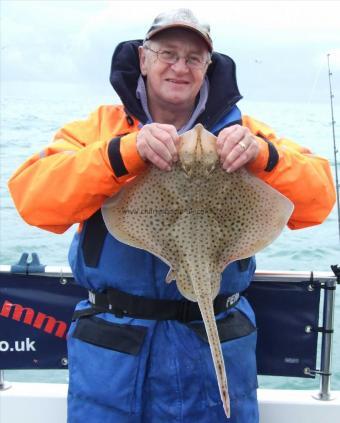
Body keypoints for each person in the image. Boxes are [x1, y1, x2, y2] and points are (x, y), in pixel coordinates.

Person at [8, 8, 335, 423]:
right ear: (143, 59)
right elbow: (33, 200)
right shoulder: (101, 129)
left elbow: (319, 200)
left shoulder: (248, 132)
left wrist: (264, 157)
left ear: (208, 67)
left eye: (193, 58)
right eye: (167, 53)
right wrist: (123, 153)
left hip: (213, 341)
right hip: (115, 354)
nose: (180, 67)